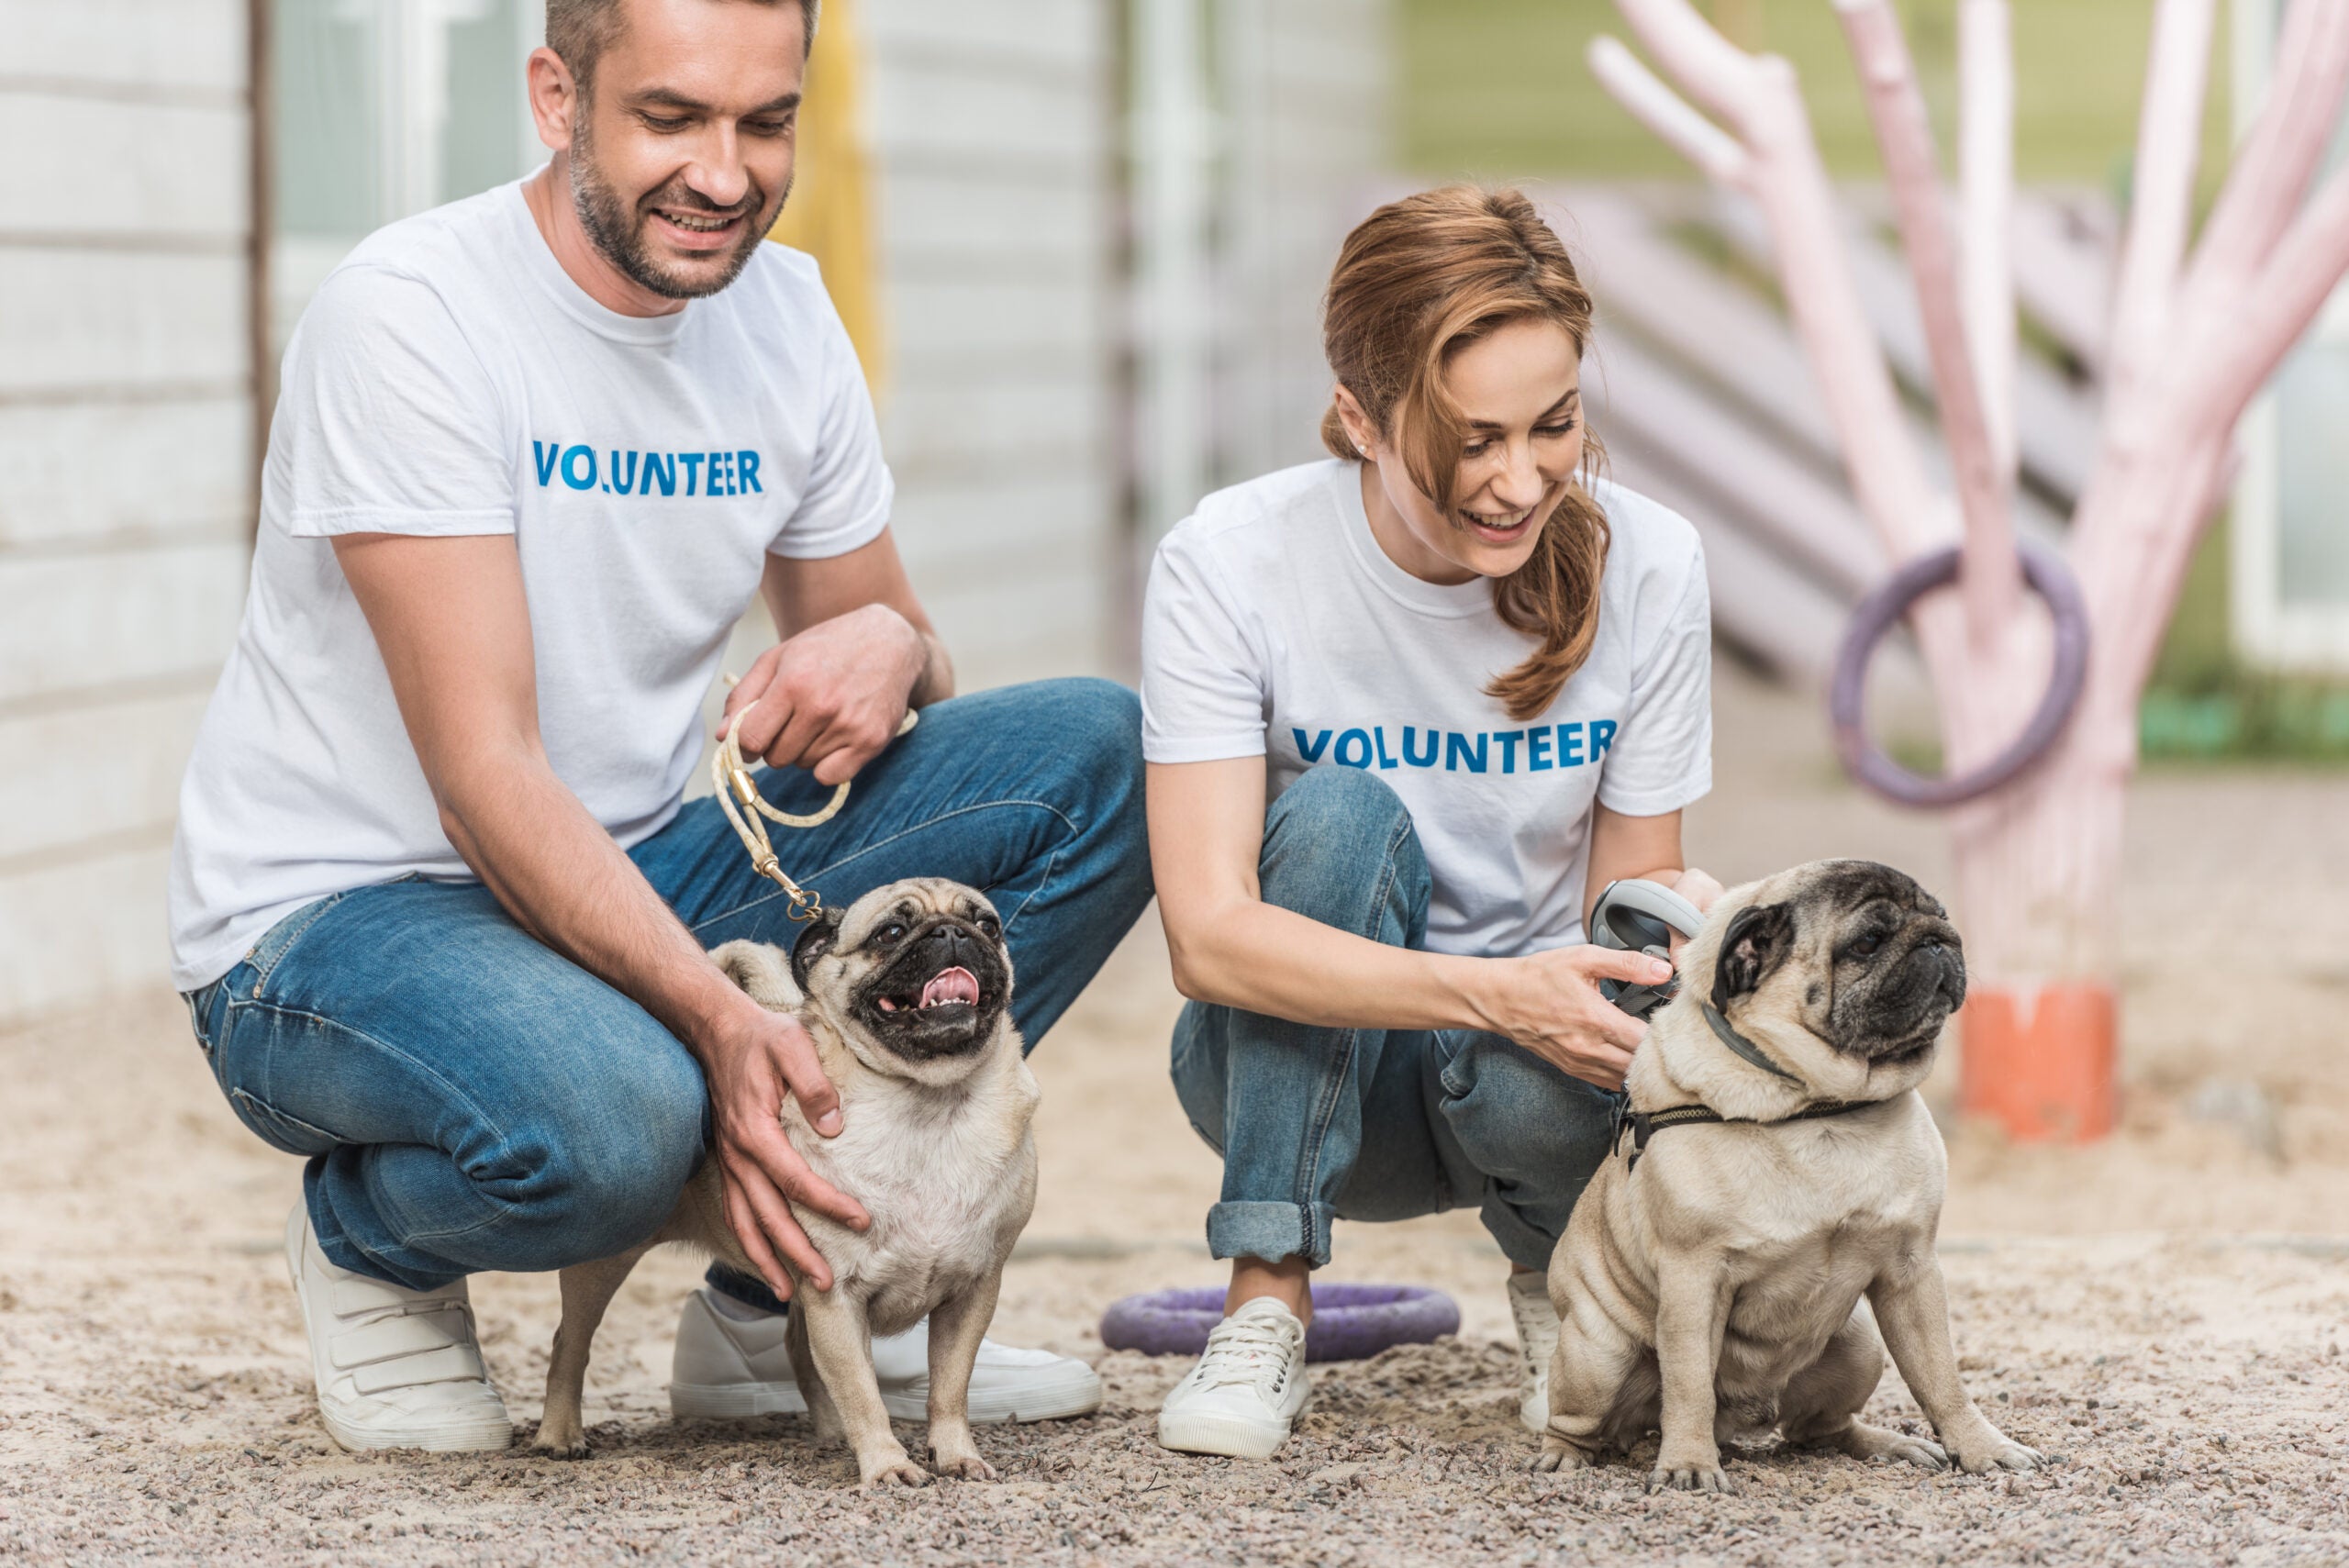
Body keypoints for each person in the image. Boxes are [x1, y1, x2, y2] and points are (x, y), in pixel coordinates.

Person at [169, 0, 1150, 1453]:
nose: (726, 172)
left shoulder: (788, 314)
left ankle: (782, 1295)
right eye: (672, 119)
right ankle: (372, 1238)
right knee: (625, 1125)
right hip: (346, 922)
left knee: (1096, 754)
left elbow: (894, 669)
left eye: (766, 122)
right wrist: (719, 1024)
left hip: (645, 863)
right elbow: (484, 780)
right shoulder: (412, 316)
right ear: (558, 96)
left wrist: (897, 641)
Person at [1141, 186, 1725, 1461]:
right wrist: (1493, 990)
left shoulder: (1656, 563)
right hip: (1291, 1076)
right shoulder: (1231, 559)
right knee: (1340, 814)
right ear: (1360, 416)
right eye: (1472, 442)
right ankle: (1265, 1296)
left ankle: (1564, 1279)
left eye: (1555, 425)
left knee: (1619, 961)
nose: (1522, 482)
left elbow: (1627, 911)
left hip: (1530, 1083)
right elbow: (1209, 939)